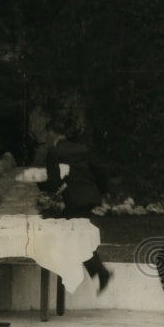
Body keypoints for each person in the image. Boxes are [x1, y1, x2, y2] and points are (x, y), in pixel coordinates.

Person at [39, 115, 111, 294]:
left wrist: (40, 184)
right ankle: (97, 272)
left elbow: (54, 182)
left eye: (46, 135)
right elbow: (100, 170)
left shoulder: (54, 152)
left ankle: (97, 272)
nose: (46, 139)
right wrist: (100, 191)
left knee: (66, 233)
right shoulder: (81, 148)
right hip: (89, 196)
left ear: (52, 133)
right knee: (73, 234)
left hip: (76, 199)